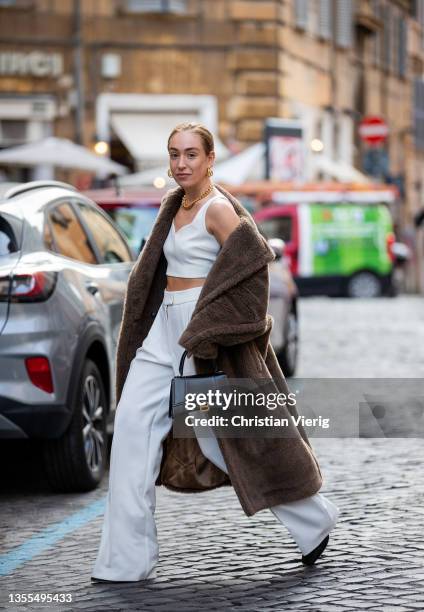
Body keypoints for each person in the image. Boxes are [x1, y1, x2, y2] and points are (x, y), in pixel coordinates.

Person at [91, 123, 340, 583]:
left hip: (203, 337)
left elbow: (253, 270)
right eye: (174, 155)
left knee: (226, 441)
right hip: (163, 331)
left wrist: (218, 326)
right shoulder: (173, 206)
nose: (181, 163)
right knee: (128, 430)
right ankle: (125, 561)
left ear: (209, 160)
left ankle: (314, 519)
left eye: (190, 155)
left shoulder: (218, 209)